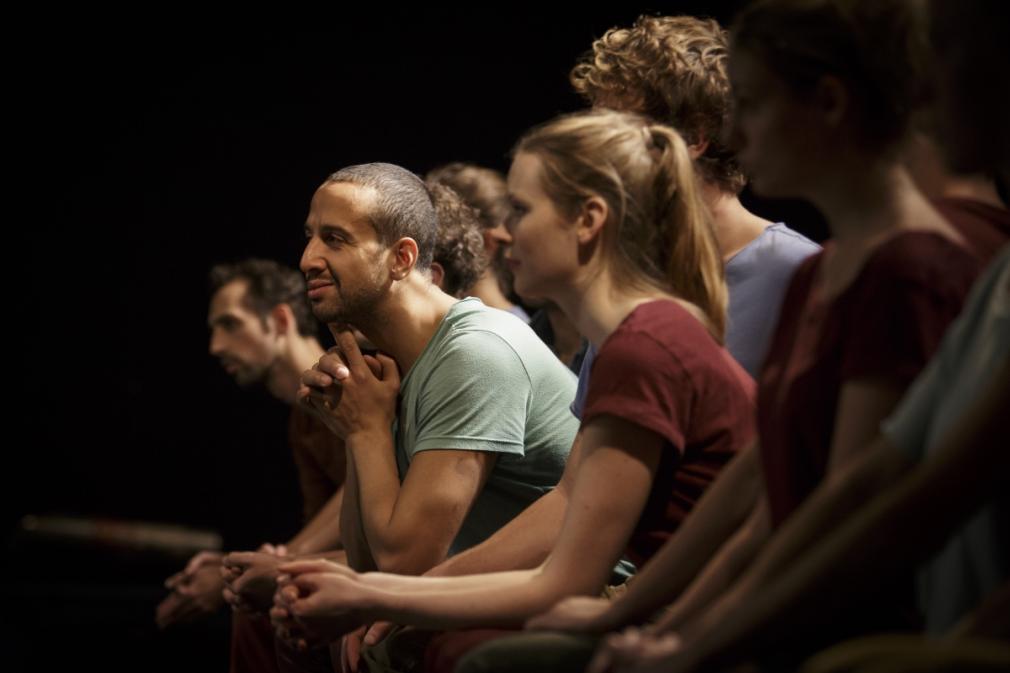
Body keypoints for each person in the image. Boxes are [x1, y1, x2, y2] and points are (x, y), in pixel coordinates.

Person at [527, 2, 982, 671]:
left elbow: (845, 509)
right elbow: (765, 485)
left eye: (756, 104)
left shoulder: (892, 271)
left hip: (834, 620)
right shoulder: (822, 274)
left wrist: (692, 637)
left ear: (828, 103)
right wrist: (650, 617)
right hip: (718, 590)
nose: (742, 126)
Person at [271, 109, 756, 673]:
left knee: (450, 653)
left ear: (588, 221)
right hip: (666, 598)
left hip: (691, 610)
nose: (499, 236)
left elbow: (566, 576)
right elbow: (563, 504)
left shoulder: (642, 345)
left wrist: (382, 598)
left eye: (520, 211)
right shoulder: (628, 342)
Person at [270, 162, 578, 669]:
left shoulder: (475, 352)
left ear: (401, 258)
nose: (308, 259)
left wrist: (367, 430)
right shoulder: (392, 368)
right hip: (485, 590)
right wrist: (356, 424)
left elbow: (405, 565)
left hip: (585, 590)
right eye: (309, 238)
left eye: (336, 239)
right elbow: (370, 563)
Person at [567, 14, 819, 403]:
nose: (592, 154)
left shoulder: (798, 273)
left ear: (693, 139)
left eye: (615, 131)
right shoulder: (624, 273)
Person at [155, 259, 347, 673]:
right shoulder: (301, 418)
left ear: (279, 320)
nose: (216, 345)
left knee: (262, 599)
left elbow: (368, 489)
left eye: (230, 324)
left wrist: (265, 568)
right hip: (352, 559)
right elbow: (323, 529)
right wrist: (241, 566)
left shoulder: (344, 382)